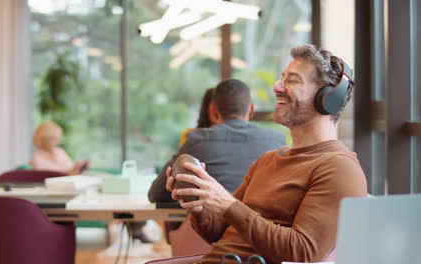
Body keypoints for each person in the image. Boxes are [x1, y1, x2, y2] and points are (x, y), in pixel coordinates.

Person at [165, 45, 368, 264]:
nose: (277, 87)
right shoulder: (268, 160)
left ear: (328, 98)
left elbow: (303, 252)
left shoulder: (339, 168)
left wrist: (228, 204)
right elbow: (220, 232)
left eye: (292, 80)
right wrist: (200, 206)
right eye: (282, 78)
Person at [149, 79, 286, 203]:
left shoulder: (196, 140)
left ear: (214, 111)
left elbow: (156, 194)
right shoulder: (277, 141)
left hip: (211, 229)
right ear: (251, 110)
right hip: (262, 227)